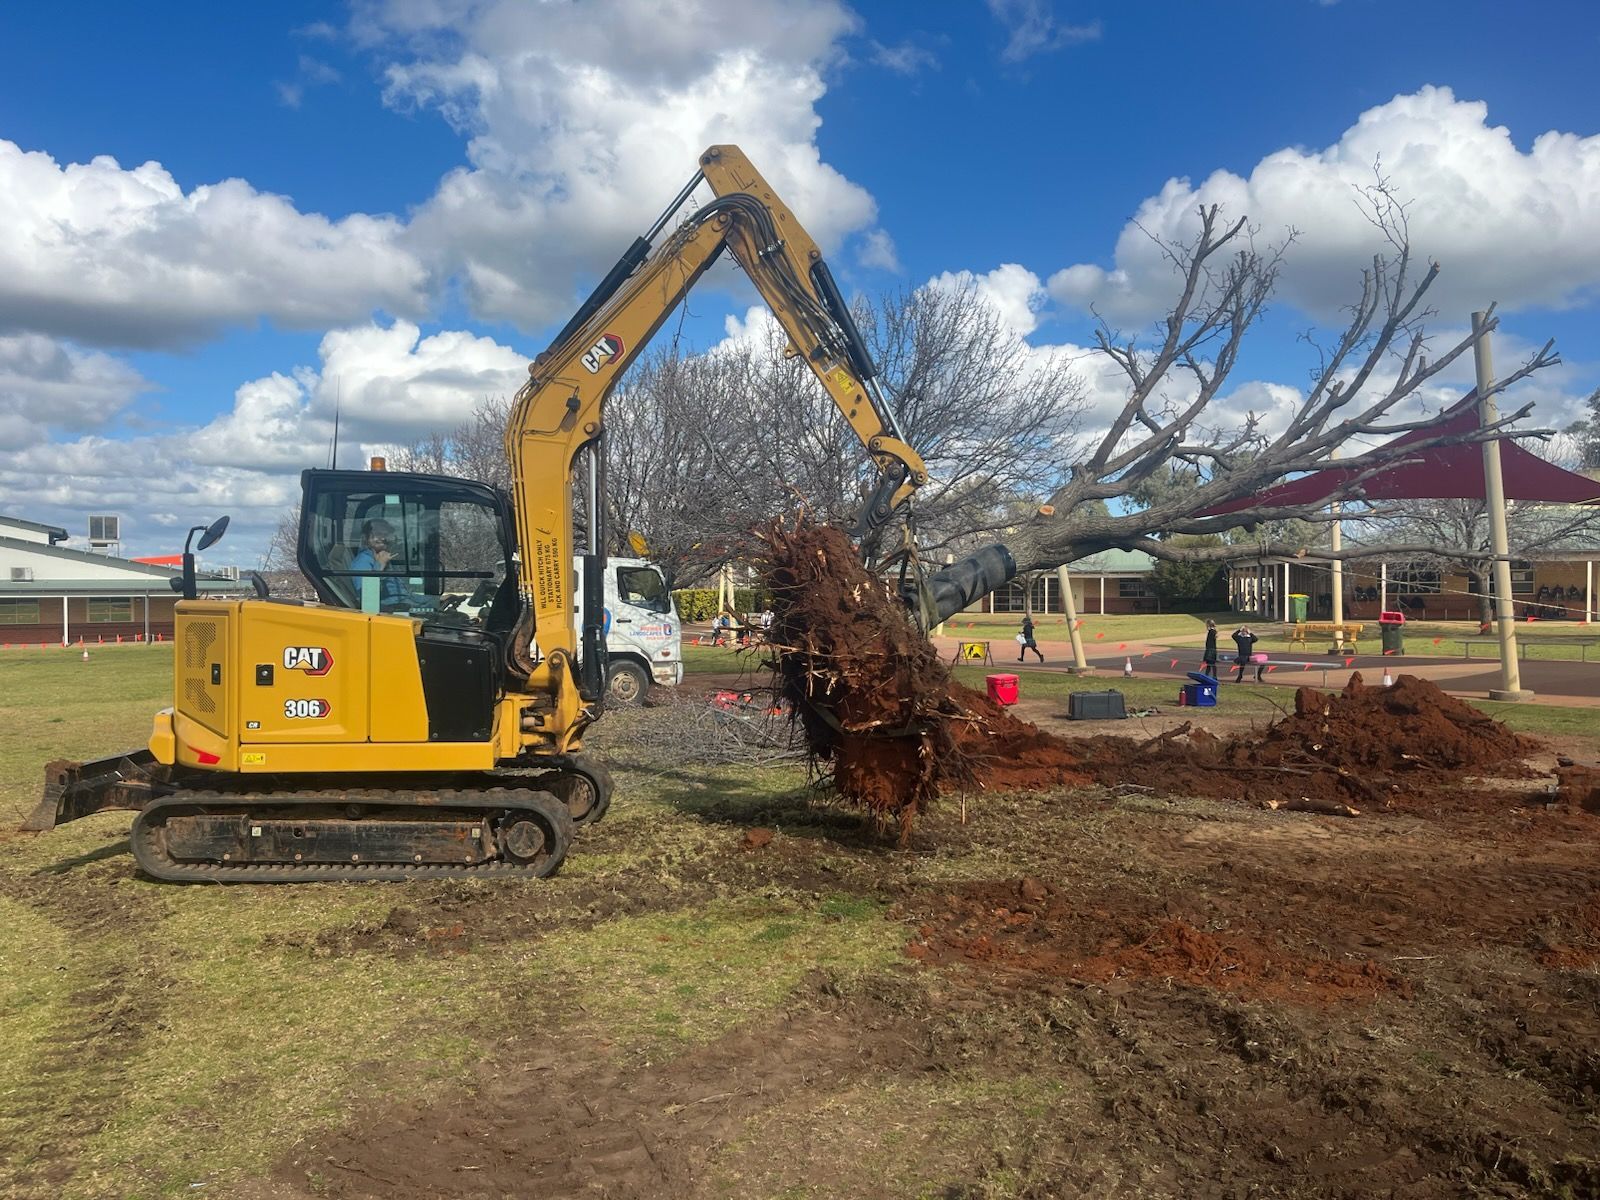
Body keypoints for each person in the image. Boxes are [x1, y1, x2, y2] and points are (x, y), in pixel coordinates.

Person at [349, 518, 427, 612]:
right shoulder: (363, 561)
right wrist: (380, 565)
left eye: (385, 534)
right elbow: (366, 596)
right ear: (366, 538)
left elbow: (404, 594)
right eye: (378, 534)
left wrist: (434, 599)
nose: (383, 538)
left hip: (406, 603)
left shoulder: (383, 557)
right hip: (393, 609)